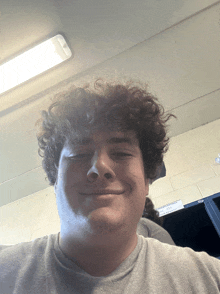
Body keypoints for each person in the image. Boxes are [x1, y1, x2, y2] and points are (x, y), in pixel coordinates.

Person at [1, 79, 220, 293]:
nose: (99, 166)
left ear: (146, 181)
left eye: (122, 153)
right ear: (55, 180)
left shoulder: (211, 279)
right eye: (79, 154)